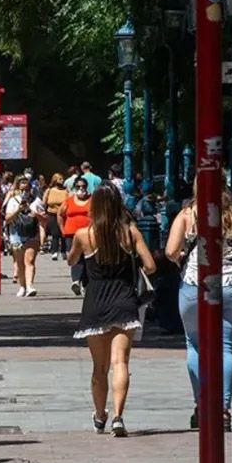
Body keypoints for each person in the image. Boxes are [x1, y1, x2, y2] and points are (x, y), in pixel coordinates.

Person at [165, 179, 232, 432]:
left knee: (194, 343)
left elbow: (171, 250)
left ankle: (202, 405)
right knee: (226, 346)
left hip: (196, 283)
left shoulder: (188, 214)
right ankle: (224, 409)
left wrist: (182, 256)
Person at [68, 184, 156, 437]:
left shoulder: (84, 234)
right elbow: (150, 266)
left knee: (99, 367)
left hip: (96, 302)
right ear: (118, 205)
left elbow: (71, 260)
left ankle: (99, 416)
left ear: (94, 206)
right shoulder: (130, 233)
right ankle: (118, 416)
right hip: (124, 300)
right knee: (121, 362)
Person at [4, 175, 42, 297]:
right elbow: (7, 219)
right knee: (20, 263)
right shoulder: (13, 201)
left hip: (32, 234)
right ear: (18, 190)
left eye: (27, 189)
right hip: (16, 234)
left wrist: (34, 214)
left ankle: (30, 286)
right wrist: (18, 210)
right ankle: (23, 286)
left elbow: (45, 219)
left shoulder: (36, 201)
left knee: (29, 261)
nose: (25, 192)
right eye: (22, 190)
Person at [59, 176, 92, 295]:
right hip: (71, 234)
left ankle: (85, 283)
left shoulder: (91, 200)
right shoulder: (69, 201)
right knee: (75, 257)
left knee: (87, 258)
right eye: (78, 187)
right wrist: (62, 229)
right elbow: (60, 214)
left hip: (88, 234)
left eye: (83, 186)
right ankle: (76, 281)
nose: (81, 189)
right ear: (74, 188)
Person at [44, 173, 69, 261]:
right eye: (59, 179)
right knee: (55, 234)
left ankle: (63, 251)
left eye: (62, 179)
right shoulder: (49, 190)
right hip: (52, 214)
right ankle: (54, 252)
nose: (62, 181)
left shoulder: (65, 191)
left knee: (63, 233)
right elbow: (45, 202)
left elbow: (68, 202)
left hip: (62, 214)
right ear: (55, 180)